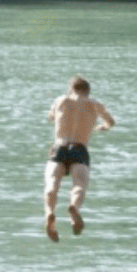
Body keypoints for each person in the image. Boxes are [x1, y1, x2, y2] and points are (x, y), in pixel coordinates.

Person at [44, 76, 115, 241]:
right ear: (87, 90)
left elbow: (51, 117)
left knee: (51, 184)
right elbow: (111, 122)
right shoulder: (94, 104)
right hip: (79, 149)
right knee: (79, 185)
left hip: (59, 148)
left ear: (71, 88)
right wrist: (103, 127)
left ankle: (49, 214)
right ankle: (74, 208)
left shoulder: (61, 100)